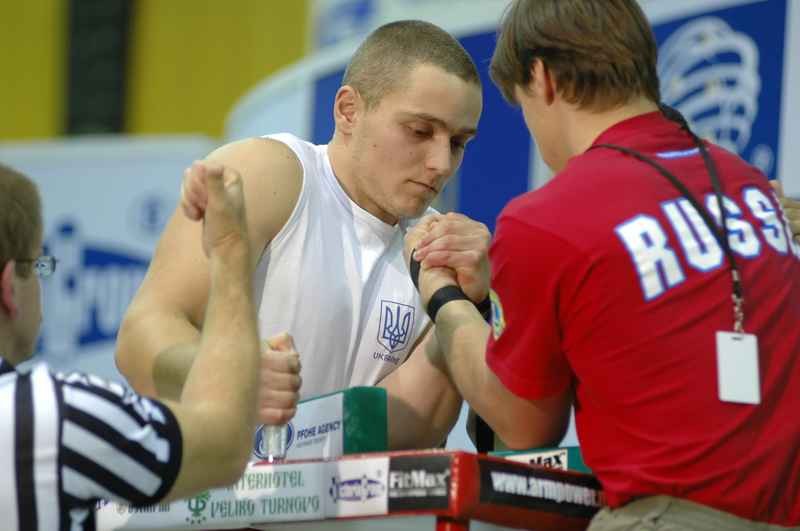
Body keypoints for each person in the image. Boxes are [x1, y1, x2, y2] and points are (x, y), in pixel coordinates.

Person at [407, 0, 800, 529]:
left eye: (522, 104)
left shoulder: (548, 216)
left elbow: (525, 427)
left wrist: (444, 298)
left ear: (542, 78)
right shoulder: (747, 184)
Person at [115, 19, 488, 451]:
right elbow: (141, 337)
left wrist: (463, 307)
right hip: (204, 504)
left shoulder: (434, 250)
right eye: (420, 131)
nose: (442, 162)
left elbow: (404, 433)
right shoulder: (271, 173)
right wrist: (224, 373)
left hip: (327, 513)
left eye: (459, 142)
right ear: (349, 110)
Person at [0, 161, 283, 530]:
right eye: (39, 266)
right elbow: (225, 445)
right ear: (9, 287)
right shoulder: (53, 415)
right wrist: (230, 248)